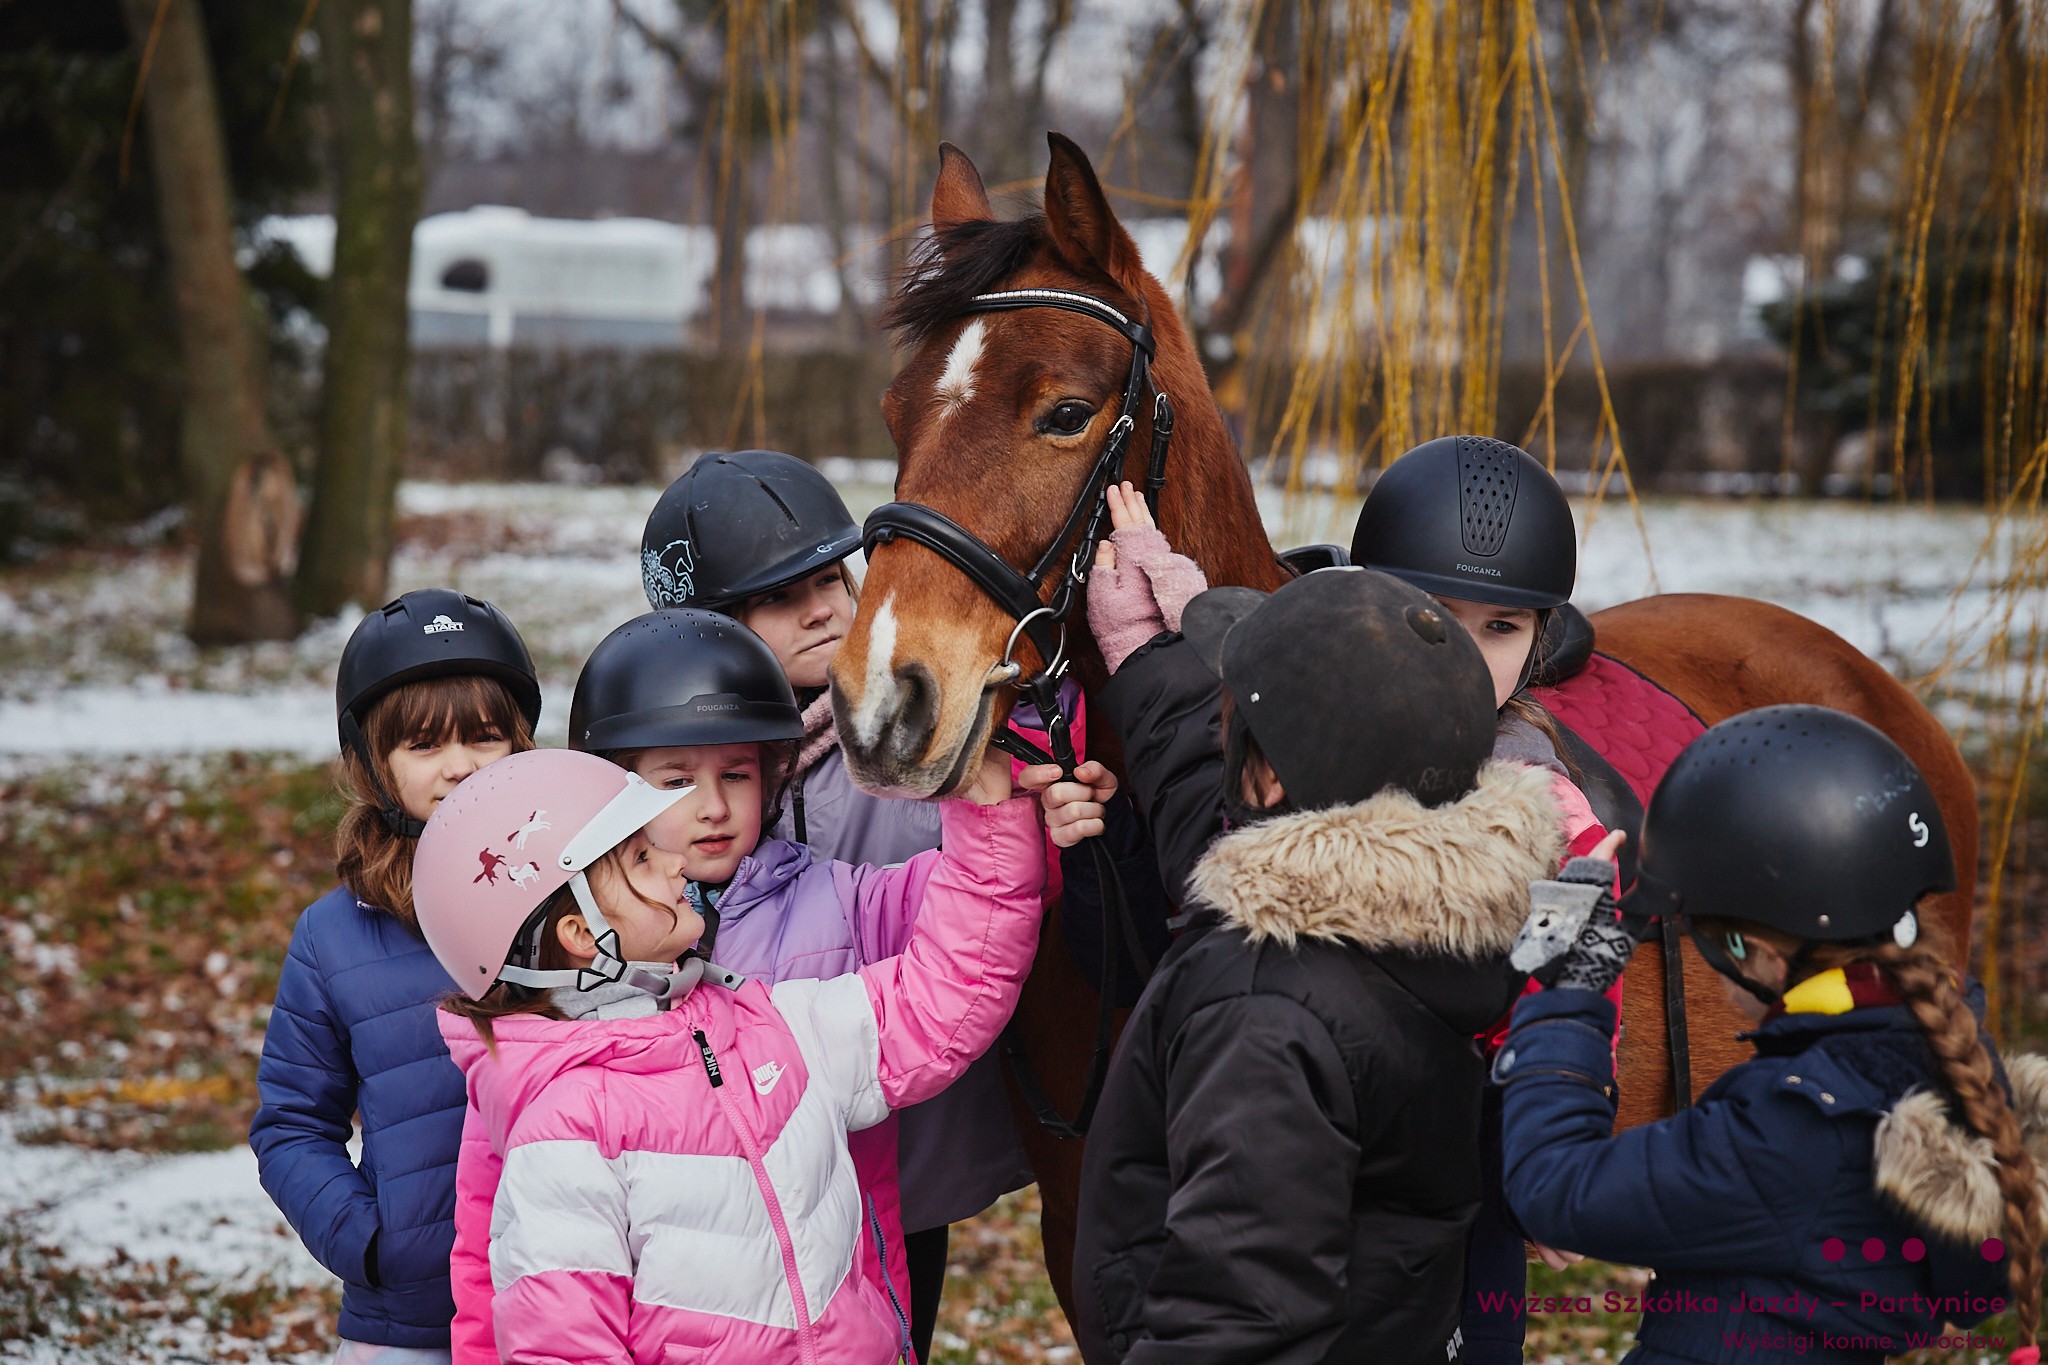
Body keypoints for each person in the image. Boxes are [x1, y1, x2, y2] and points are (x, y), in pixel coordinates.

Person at [414, 740, 1076, 1363]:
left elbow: (939, 1000)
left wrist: (988, 809)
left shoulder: (764, 1023)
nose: (674, 860)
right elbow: (566, 1347)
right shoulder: (566, 1132)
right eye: (642, 859)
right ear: (582, 933)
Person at [1071, 568, 1568, 1364]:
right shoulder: (1441, 931)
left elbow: (1236, 1319)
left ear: (1266, 778)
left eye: (1226, 720)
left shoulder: (1266, 1006)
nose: (1216, 731)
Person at [638, 451, 1045, 1356]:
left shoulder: (903, 727)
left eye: (832, 576)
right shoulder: (655, 783)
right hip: (718, 1170)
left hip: (896, 1156)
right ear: (710, 628)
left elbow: (976, 898)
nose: (827, 606)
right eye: (785, 595)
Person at [1496, 704, 2041, 1365]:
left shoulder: (1791, 1127)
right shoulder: (1948, 1058)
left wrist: (1568, 983)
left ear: (1749, 951)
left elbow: (1556, 1189)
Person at [250, 589, 542, 1365]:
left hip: (569, 1301)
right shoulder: (335, 937)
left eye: (485, 736)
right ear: (375, 766)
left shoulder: (577, 903)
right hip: (413, 1323)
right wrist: (375, 1244)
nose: (459, 767)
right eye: (423, 744)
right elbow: (291, 1124)